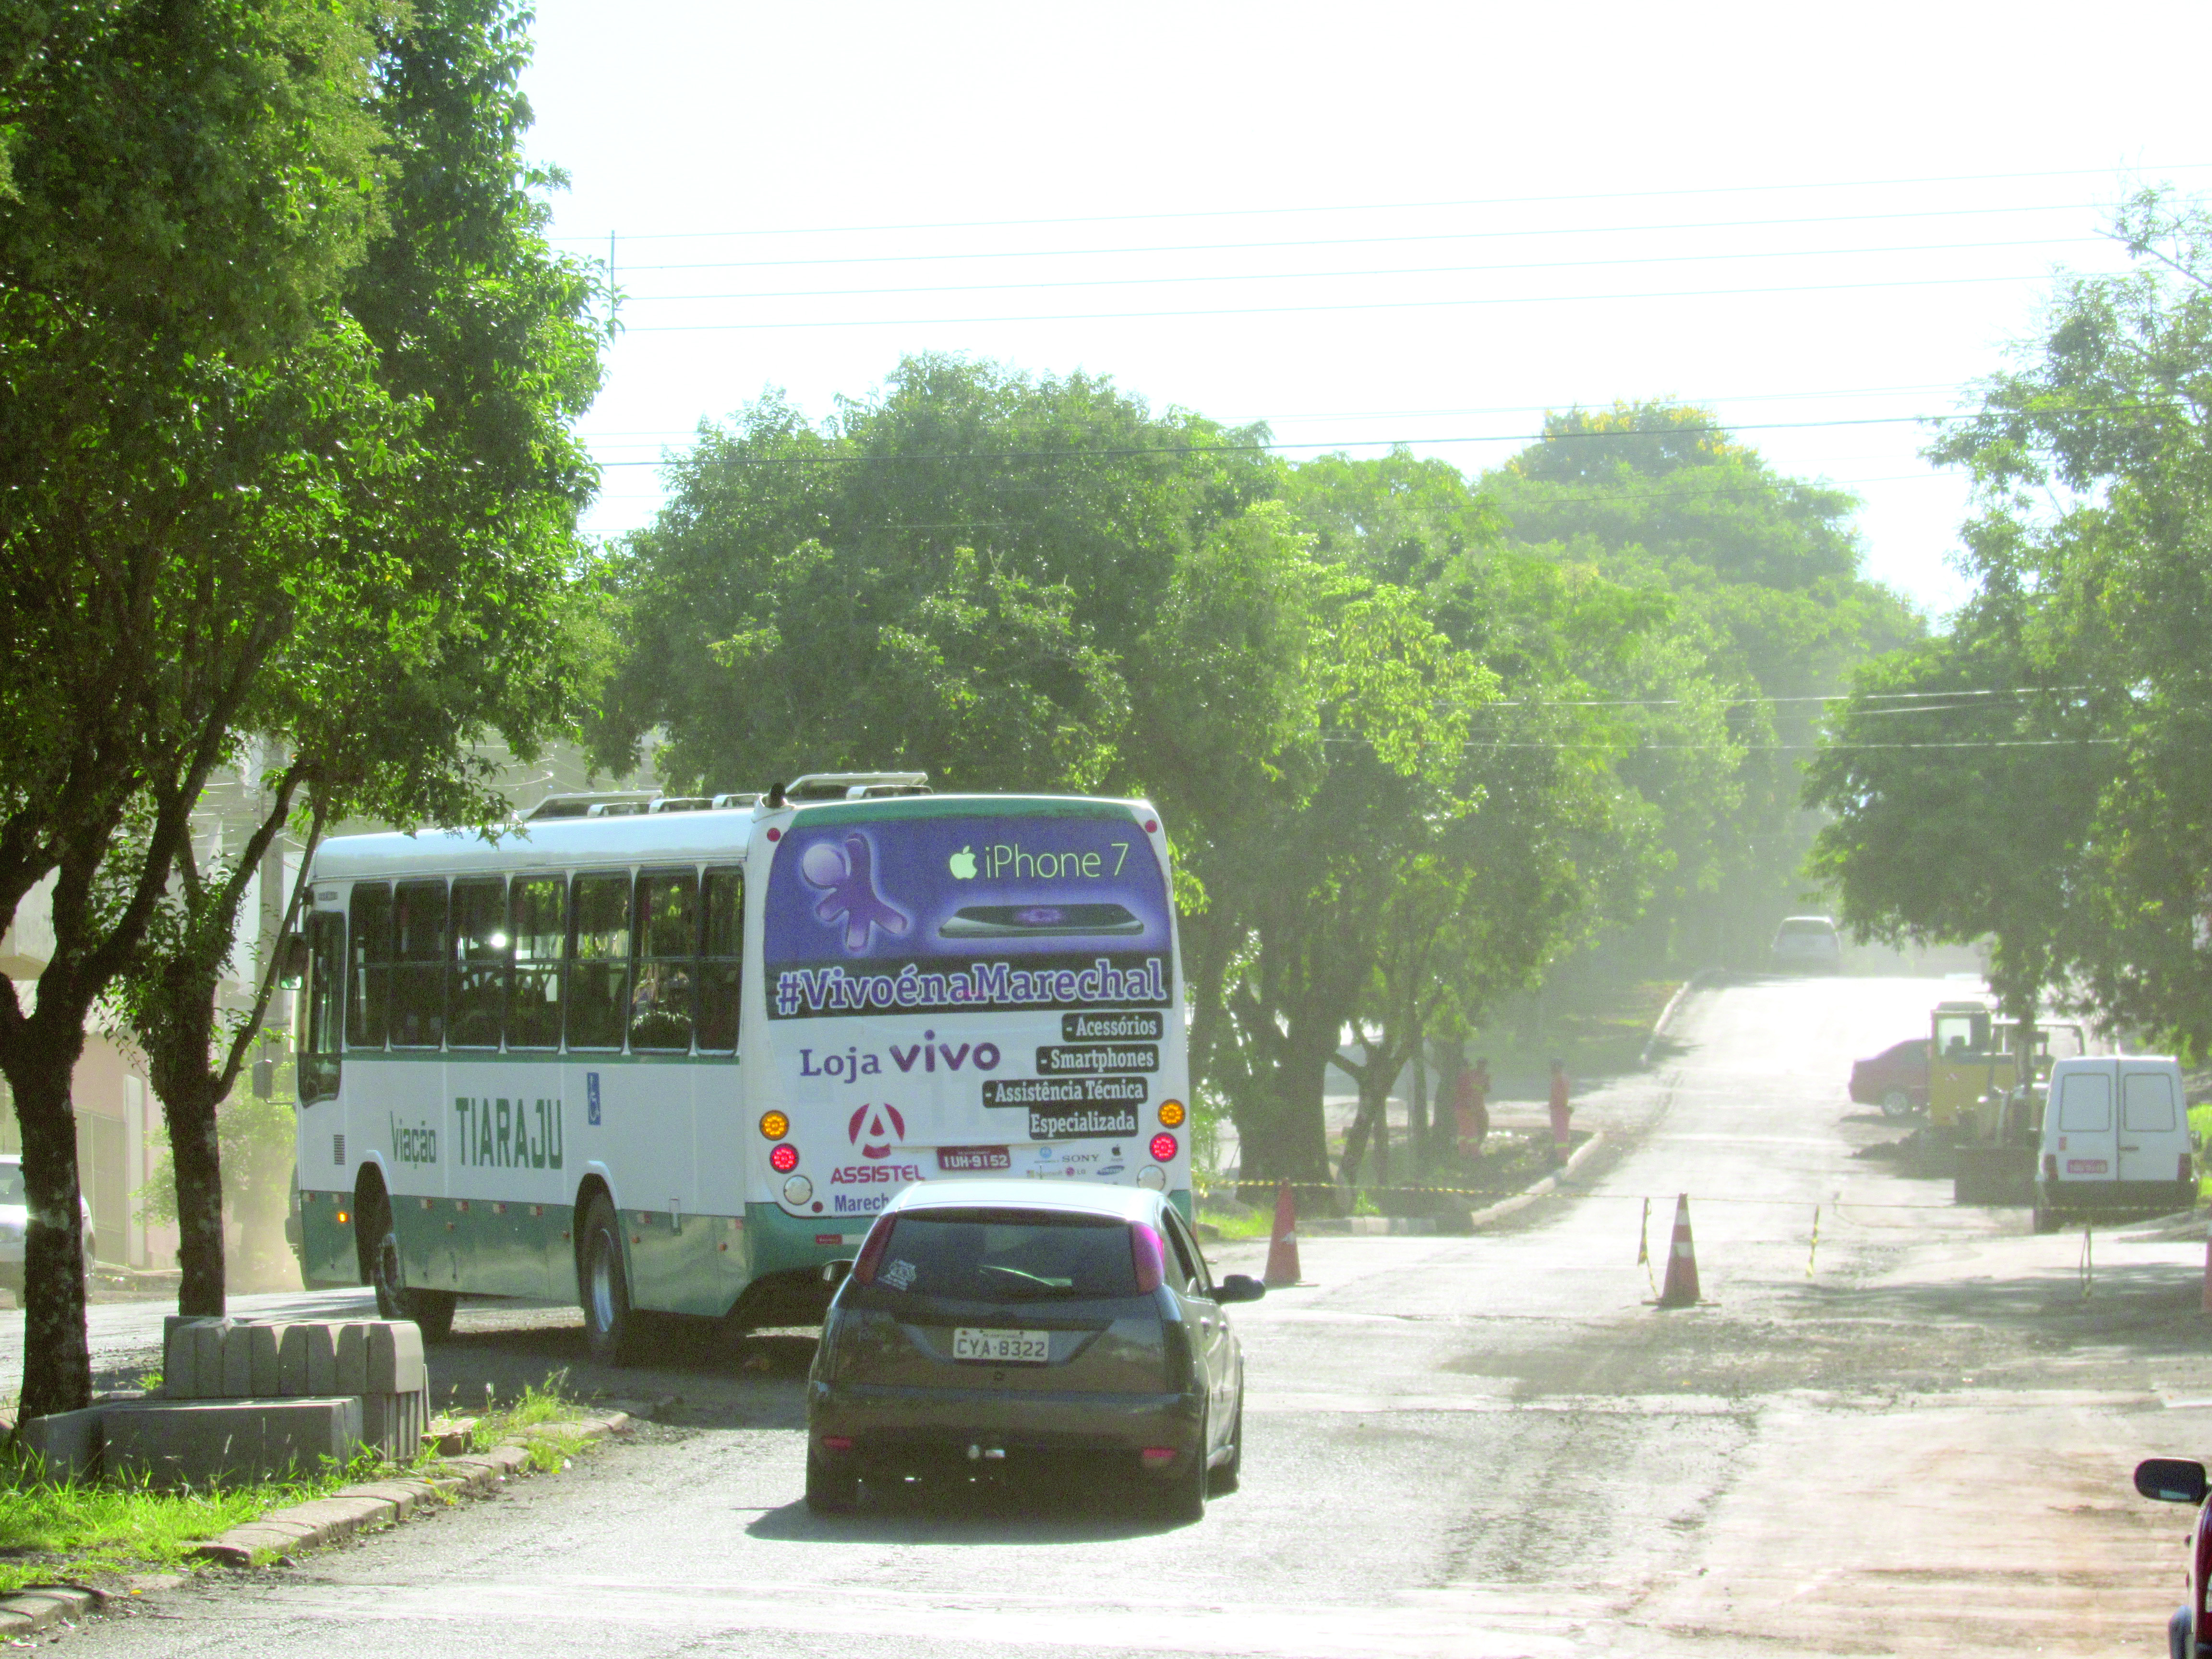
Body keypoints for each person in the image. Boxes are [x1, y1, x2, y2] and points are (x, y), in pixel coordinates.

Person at [1455, 1057, 1491, 1157]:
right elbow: (1465, 1092)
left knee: (1481, 1127)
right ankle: (1471, 1152)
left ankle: (1470, 1150)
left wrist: (1486, 1083)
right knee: (1471, 1130)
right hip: (1469, 1107)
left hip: (1478, 1106)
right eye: (1481, 1065)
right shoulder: (1470, 1076)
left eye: (1484, 1065)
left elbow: (1487, 1090)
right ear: (1478, 1065)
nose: (1482, 1067)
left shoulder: (1484, 1077)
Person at [1547, 1058, 1573, 1171]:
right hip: (1561, 1109)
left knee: (1560, 1135)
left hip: (1559, 1109)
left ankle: (1562, 1158)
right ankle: (1562, 1156)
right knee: (1562, 1134)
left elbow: (1559, 1096)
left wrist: (1561, 1105)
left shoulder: (1559, 1080)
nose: (1551, 1069)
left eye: (1553, 1066)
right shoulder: (1563, 1078)